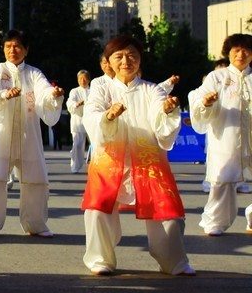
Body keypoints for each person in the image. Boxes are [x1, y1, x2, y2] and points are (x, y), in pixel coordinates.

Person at [82, 35, 193, 276]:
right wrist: (108, 117)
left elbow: (159, 114)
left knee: (168, 213)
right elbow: (91, 113)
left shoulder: (152, 89)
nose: (126, 61)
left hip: (148, 160)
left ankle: (174, 262)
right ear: (109, 61)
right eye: (119, 57)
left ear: (140, 59)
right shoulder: (101, 86)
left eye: (132, 55)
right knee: (98, 209)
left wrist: (166, 111)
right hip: (110, 160)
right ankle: (100, 259)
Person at [0, 30, 64, 238]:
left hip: (28, 135)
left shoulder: (34, 73)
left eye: (17, 46)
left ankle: (36, 224)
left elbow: (43, 91)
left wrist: (53, 95)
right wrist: (4, 95)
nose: (12, 50)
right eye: (8, 46)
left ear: (26, 50)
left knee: (35, 180)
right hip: (2, 135)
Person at [189, 34, 252, 236]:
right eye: (236, 50)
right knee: (222, 181)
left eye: (245, 51)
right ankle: (215, 222)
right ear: (229, 53)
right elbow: (198, 98)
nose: (241, 55)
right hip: (226, 137)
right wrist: (206, 103)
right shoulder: (217, 77)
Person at [66, 70, 91, 174]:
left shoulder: (93, 90)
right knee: (77, 145)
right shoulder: (74, 91)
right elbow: (70, 102)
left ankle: (95, 166)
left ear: (89, 79)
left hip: (91, 122)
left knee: (95, 144)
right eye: (80, 78)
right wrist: (76, 104)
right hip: (78, 122)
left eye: (84, 78)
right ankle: (75, 166)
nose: (82, 81)